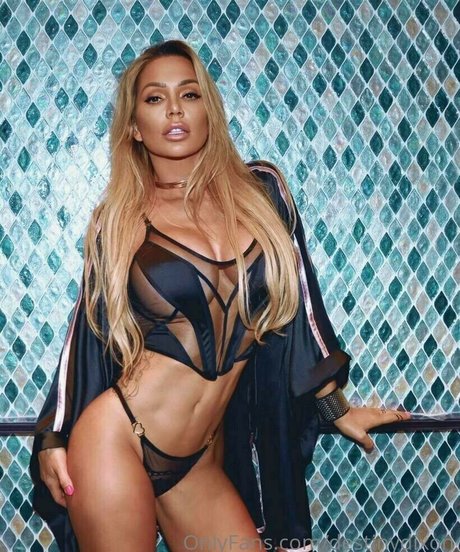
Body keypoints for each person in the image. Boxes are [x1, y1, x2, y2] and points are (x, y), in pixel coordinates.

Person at [29, 39, 410, 552]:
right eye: (155, 99)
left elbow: (304, 308)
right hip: (118, 439)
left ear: (209, 109)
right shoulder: (118, 219)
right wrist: (54, 435)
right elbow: (85, 332)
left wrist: (335, 408)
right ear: (135, 127)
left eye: (189, 94)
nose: (175, 110)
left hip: (200, 461)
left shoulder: (263, 190)